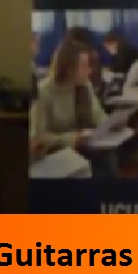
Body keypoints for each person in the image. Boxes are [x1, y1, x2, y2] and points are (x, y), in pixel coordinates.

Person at [30, 41, 119, 178]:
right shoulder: (44, 92)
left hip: (84, 145)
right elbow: (38, 138)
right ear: (68, 68)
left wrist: (111, 125)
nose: (90, 71)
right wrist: (74, 138)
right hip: (56, 151)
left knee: (107, 156)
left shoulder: (84, 86)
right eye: (84, 66)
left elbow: (98, 115)